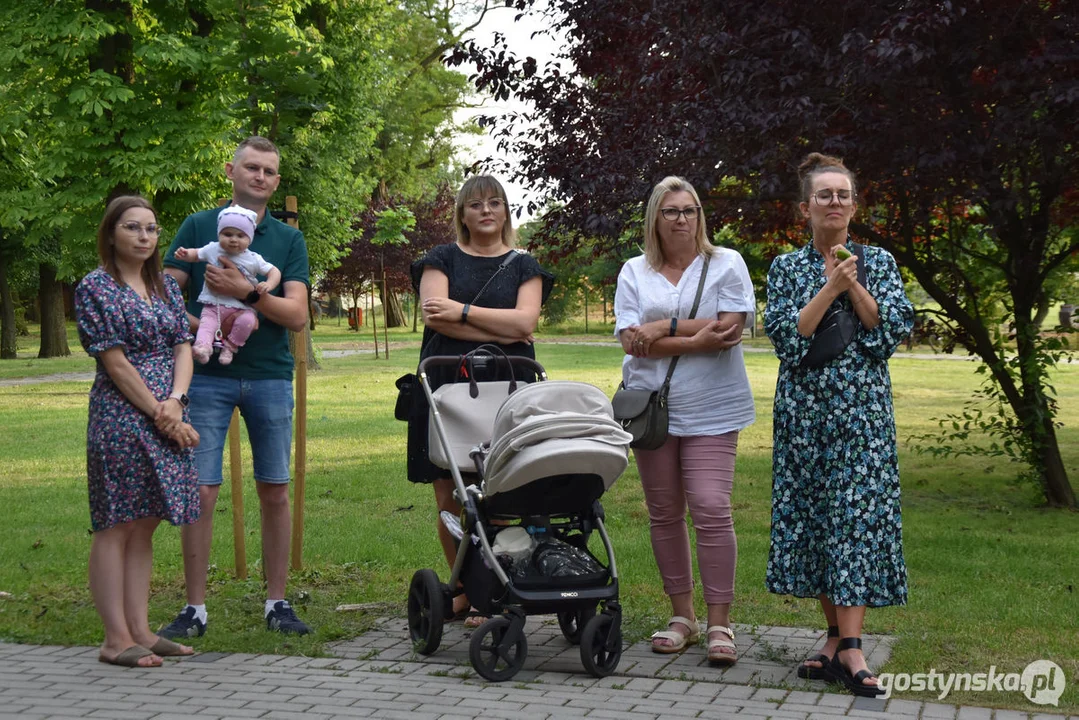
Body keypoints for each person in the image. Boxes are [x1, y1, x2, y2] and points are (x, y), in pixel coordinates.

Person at [764, 153, 914, 697]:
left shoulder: (880, 263)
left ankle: (852, 649)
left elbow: (888, 333)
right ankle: (832, 639)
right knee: (818, 523)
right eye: (823, 195)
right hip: (805, 419)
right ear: (805, 208)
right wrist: (829, 286)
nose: (834, 202)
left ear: (854, 205)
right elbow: (788, 339)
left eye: (842, 194)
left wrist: (853, 284)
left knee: (854, 523)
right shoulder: (785, 268)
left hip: (863, 420)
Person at [160, 136, 311, 638]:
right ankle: (194, 609)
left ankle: (277, 602)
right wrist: (193, 328)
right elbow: (163, 291)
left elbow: (296, 315)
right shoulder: (199, 226)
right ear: (231, 170)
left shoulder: (288, 240)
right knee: (200, 490)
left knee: (274, 488)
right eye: (252, 168)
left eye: (269, 171)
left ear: (277, 180)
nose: (261, 177)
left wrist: (244, 293)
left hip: (268, 376)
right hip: (204, 377)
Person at [613, 176, 755, 665]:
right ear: (655, 218)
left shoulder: (726, 263)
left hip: (713, 406)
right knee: (664, 512)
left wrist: (664, 328)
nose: (682, 219)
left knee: (712, 507)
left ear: (701, 216)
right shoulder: (633, 271)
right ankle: (683, 617)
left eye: (690, 210)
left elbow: (733, 327)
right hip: (650, 410)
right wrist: (694, 341)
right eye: (671, 211)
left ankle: (720, 623)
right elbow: (631, 342)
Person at [407, 175, 554, 627]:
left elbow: (526, 322)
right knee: (450, 493)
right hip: (447, 384)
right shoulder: (441, 258)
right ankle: (465, 587)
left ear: (507, 211)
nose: (486, 210)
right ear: (462, 214)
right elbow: (438, 318)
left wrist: (464, 313)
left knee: (505, 488)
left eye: (495, 203)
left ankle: (501, 583)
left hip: (509, 388)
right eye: (476, 205)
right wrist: (502, 327)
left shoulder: (524, 265)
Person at [75, 195, 201, 667]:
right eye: (133, 228)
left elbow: (182, 347)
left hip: (168, 408)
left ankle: (141, 630)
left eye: (151, 229)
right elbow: (115, 362)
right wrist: (159, 413)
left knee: (145, 521)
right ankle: (114, 638)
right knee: (116, 523)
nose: (144, 237)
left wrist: (177, 402)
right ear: (111, 234)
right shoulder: (95, 287)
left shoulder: (165, 287)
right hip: (121, 416)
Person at [173, 205, 281, 366]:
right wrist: (185, 254)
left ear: (249, 238)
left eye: (240, 236)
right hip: (214, 305)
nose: (233, 239)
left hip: (241, 307)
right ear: (219, 234)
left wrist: (269, 284)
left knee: (247, 322)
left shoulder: (253, 258)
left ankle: (230, 347)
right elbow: (196, 254)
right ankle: (203, 347)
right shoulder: (213, 249)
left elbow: (274, 271)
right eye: (227, 234)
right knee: (207, 324)